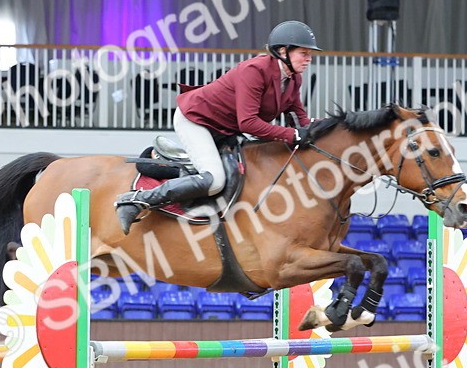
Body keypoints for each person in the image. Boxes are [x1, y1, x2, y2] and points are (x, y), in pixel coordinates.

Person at [116, 20, 320, 233]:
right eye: (303, 53)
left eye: (309, 54)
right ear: (282, 51)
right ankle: (136, 200)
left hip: (225, 130)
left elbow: (299, 121)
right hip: (197, 119)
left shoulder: (294, 79)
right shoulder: (255, 70)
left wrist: (320, 128)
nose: (308, 59)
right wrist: (291, 134)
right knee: (214, 180)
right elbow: (248, 122)